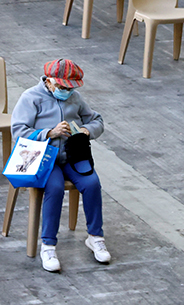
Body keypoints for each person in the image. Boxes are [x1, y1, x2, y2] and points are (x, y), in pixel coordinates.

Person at [10, 58, 111, 273]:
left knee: (92, 183)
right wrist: (48, 133)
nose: (66, 91)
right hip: (43, 158)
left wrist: (86, 131)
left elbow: (97, 120)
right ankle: (48, 245)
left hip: (72, 156)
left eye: (70, 87)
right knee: (54, 189)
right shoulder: (31, 98)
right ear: (49, 81)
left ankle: (95, 237)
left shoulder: (75, 98)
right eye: (62, 87)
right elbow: (18, 131)